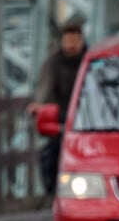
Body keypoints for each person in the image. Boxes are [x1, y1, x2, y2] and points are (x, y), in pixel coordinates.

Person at [27, 18, 86, 197]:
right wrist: (41, 107)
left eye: (75, 39)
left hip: (87, 122)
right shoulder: (52, 63)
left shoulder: (89, 62)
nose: (71, 44)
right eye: (68, 39)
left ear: (81, 40)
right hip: (61, 122)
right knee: (51, 153)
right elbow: (45, 89)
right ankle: (52, 194)